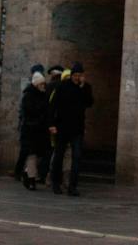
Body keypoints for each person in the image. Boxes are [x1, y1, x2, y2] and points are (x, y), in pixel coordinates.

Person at [48, 62, 93, 195]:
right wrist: (51, 124)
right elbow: (52, 106)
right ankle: (56, 183)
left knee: (77, 157)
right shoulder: (62, 86)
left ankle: (72, 186)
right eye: (75, 75)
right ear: (72, 75)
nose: (77, 78)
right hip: (62, 127)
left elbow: (89, 103)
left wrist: (83, 87)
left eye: (79, 75)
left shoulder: (85, 88)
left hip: (77, 128)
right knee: (59, 156)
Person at [18, 71, 51, 190]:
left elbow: (47, 111)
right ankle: (31, 179)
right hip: (31, 129)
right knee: (32, 154)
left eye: (44, 84)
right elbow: (28, 112)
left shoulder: (44, 95)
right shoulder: (28, 96)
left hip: (41, 130)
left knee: (39, 155)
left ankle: (27, 173)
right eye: (41, 84)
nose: (43, 86)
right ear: (36, 84)